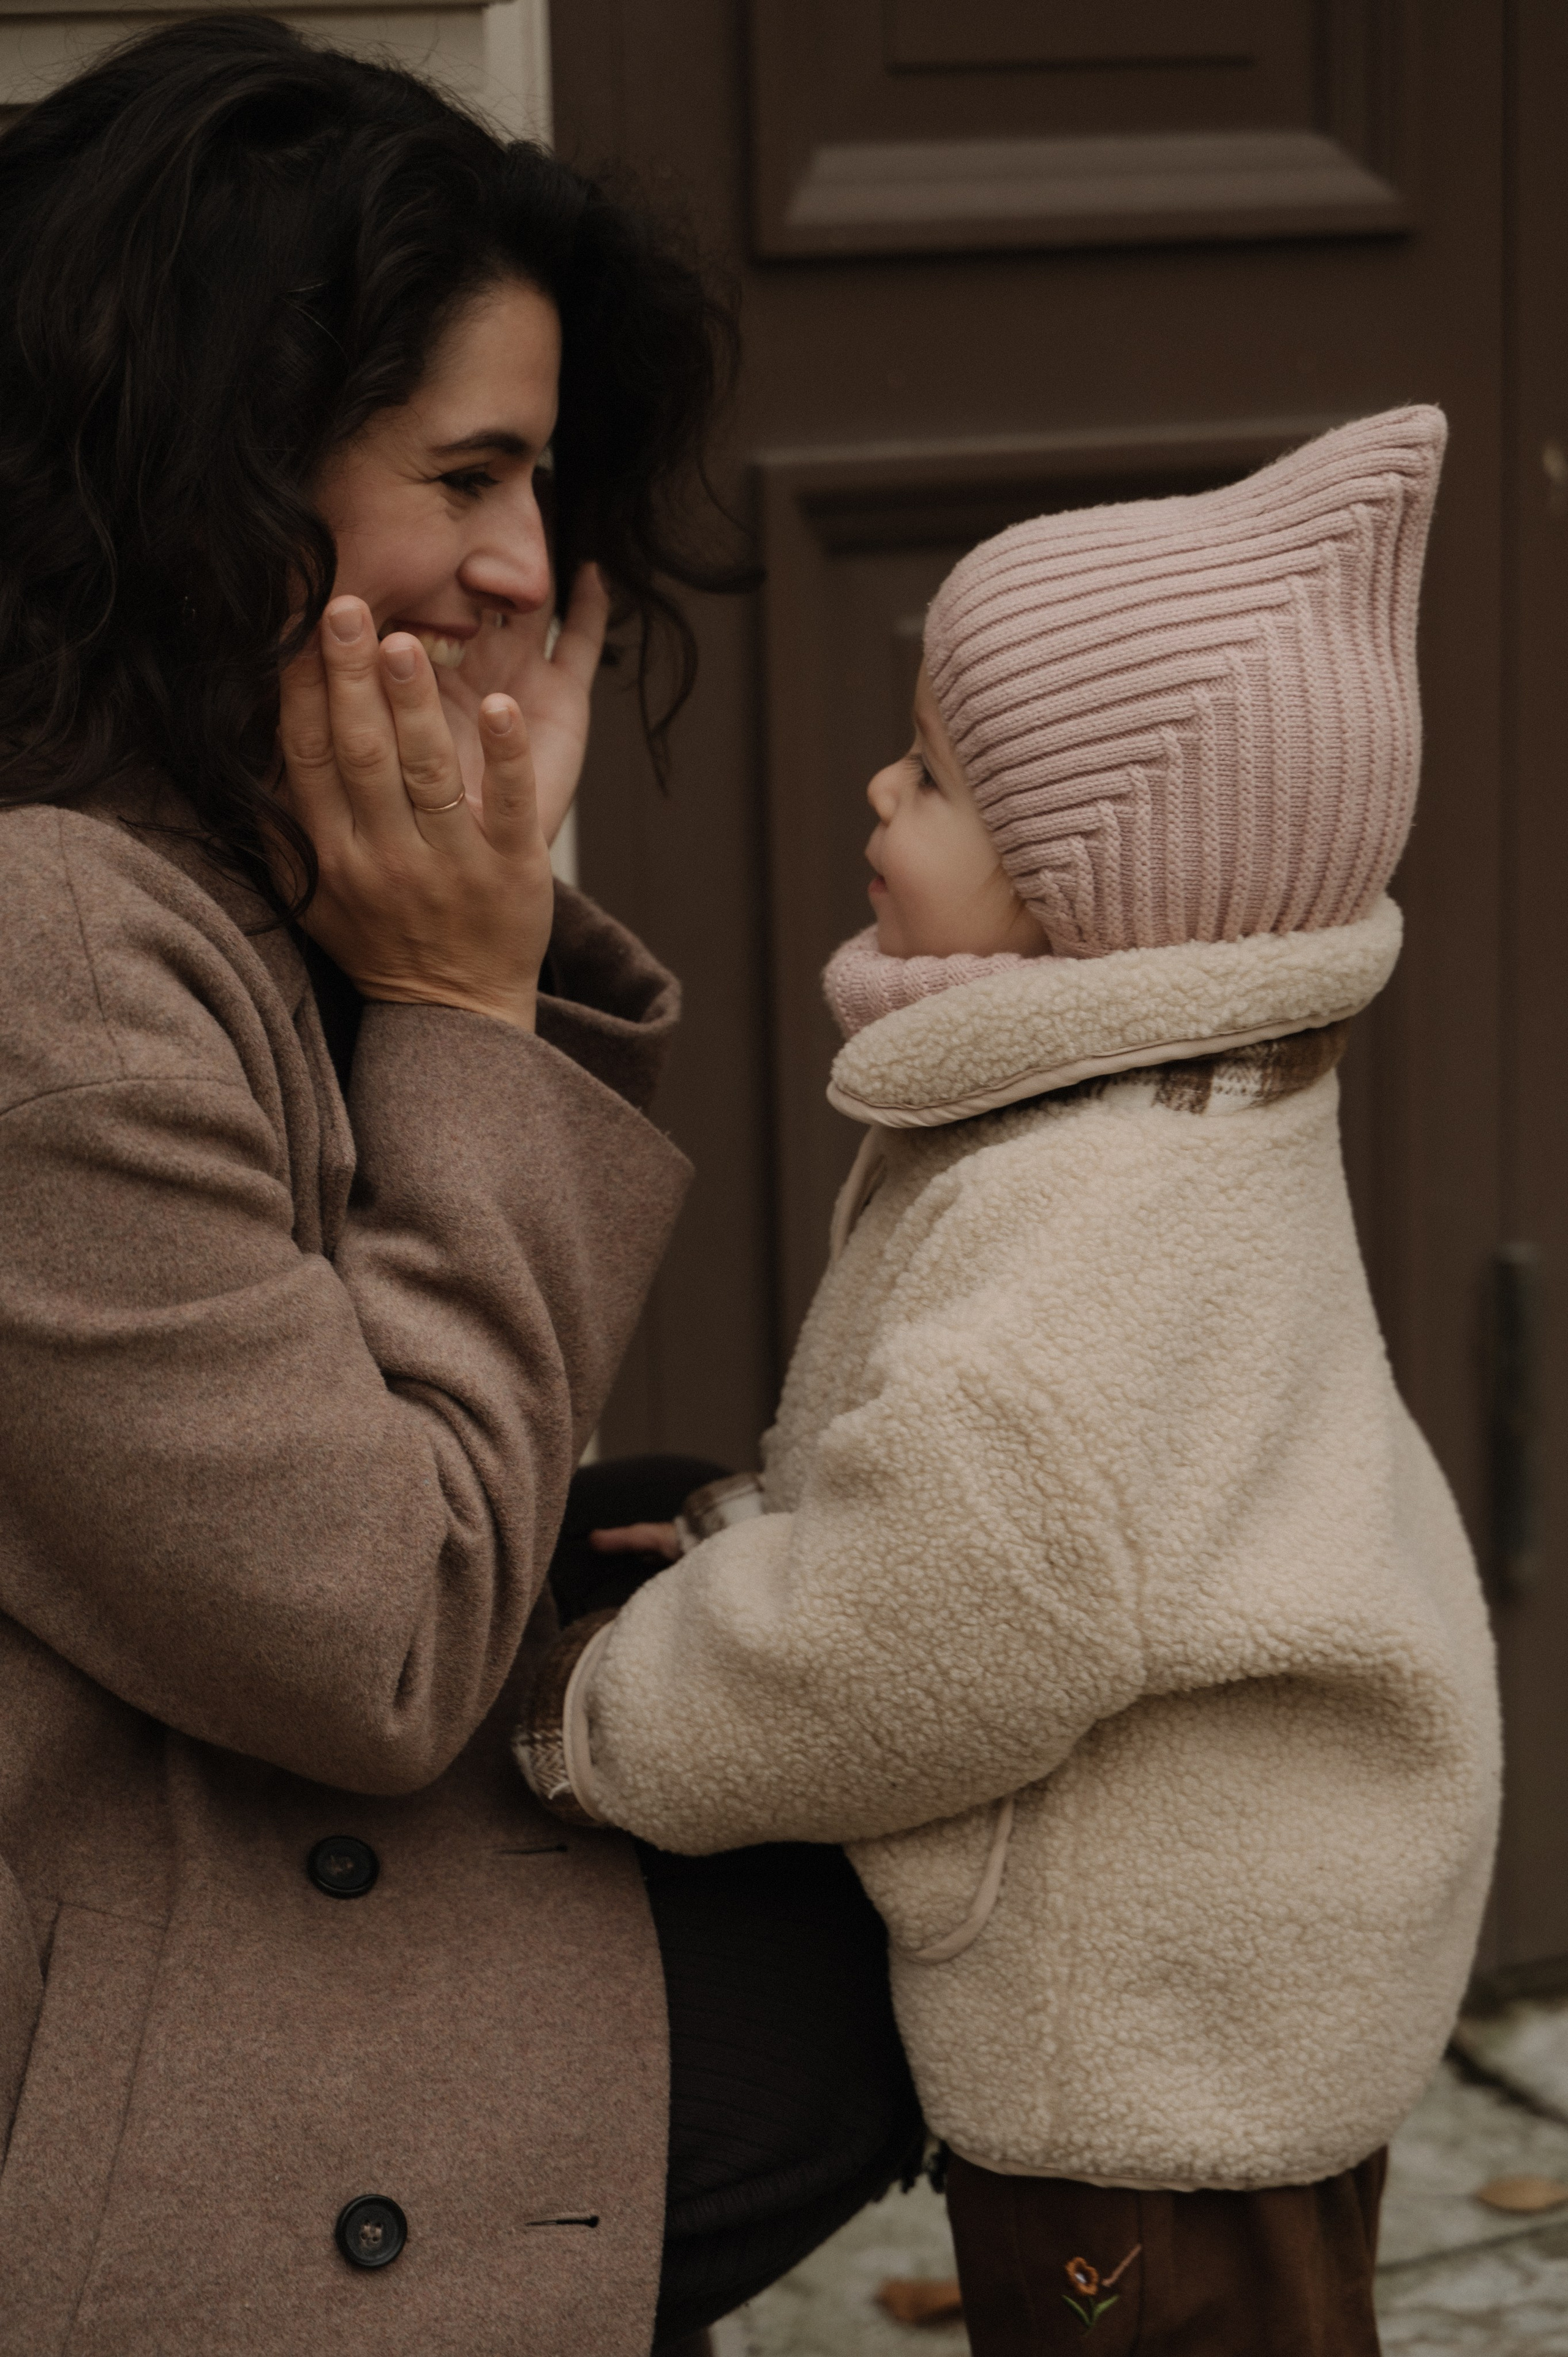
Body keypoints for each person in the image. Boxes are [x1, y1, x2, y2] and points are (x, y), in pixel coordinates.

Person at [0, 19, 918, 2354]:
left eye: (548, 481)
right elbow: (384, 1636)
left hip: (185, 1798)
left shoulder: (179, 840)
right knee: (979, 1886)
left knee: (733, 1548)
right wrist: (464, 1000)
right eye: (470, 475)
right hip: (87, 2071)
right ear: (218, 473)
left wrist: (451, 949)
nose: (527, 563)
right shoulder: (53, 948)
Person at [518, 408, 1504, 2355]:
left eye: (939, 777)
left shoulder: (1093, 1219)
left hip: (1148, 2056)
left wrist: (601, 1705)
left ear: (1090, 886)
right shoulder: (1162, 1110)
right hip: (1253, 1956)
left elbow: (930, 1624)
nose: (879, 791)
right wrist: (757, 1533)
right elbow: (1044, 1511)